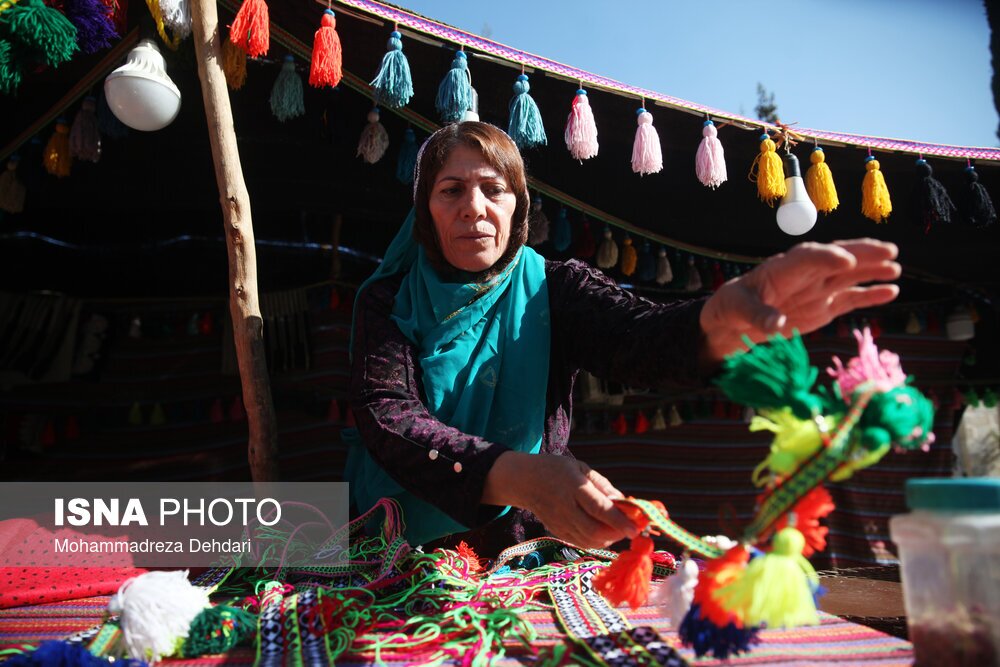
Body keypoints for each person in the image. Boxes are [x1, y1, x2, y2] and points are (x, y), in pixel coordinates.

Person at [344, 122, 901, 556]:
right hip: (395, 548)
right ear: (425, 211)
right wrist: (527, 477)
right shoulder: (389, 300)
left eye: (494, 188)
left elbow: (634, 336)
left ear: (518, 207)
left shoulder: (553, 289)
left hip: (521, 549)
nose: (474, 206)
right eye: (451, 190)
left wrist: (713, 320)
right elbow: (389, 418)